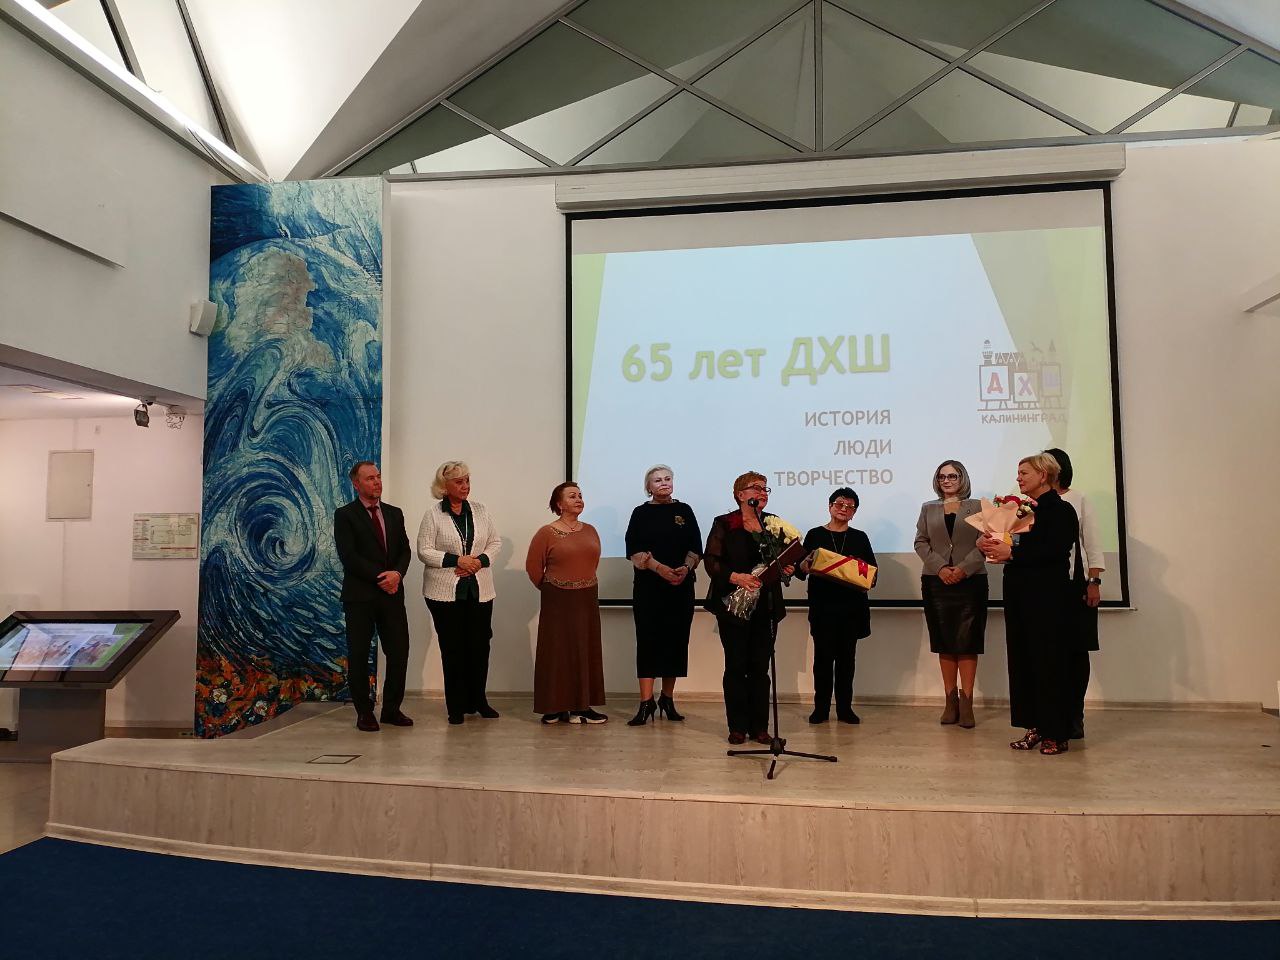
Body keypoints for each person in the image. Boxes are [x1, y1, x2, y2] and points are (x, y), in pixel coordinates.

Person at [979, 453, 1079, 756]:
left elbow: (1054, 549)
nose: (1018, 478)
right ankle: (1033, 726)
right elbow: (1015, 543)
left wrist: (1012, 553)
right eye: (1018, 472)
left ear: (1043, 475)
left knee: (1049, 663)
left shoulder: (1062, 510)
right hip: (1019, 594)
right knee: (1023, 661)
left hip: (1048, 598)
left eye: (1024, 473)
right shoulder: (1023, 511)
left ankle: (1056, 732)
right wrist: (989, 543)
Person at [703, 471, 795, 745]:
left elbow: (780, 560)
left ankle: (760, 728)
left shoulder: (772, 524)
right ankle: (737, 727)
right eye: (756, 488)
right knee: (736, 666)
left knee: (760, 667)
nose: (762, 492)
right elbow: (711, 561)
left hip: (765, 606)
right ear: (740, 494)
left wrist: (786, 567)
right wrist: (736, 577)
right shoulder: (724, 523)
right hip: (734, 606)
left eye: (766, 488)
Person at [416, 460, 503, 725]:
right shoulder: (433, 514)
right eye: (459, 482)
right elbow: (424, 550)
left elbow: (495, 542)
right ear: (444, 486)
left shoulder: (481, 510)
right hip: (443, 594)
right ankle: (455, 706)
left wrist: (479, 562)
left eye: (467, 480)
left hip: (480, 590)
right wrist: (458, 560)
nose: (465, 486)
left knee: (479, 647)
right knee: (453, 649)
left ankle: (478, 700)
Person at [333, 461, 413, 732]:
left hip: (392, 595)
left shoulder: (394, 513)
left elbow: (405, 550)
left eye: (378, 476)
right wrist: (383, 578)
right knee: (358, 655)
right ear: (356, 484)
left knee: (399, 652)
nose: (377, 482)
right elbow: (349, 556)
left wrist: (397, 575)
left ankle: (391, 709)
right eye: (370, 478)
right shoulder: (345, 515)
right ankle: (364, 712)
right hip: (360, 597)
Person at [624, 464, 702, 726]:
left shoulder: (685, 510)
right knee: (648, 641)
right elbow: (633, 549)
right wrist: (660, 569)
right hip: (649, 588)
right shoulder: (640, 513)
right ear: (648, 487)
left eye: (667, 479)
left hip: (680, 586)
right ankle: (646, 702)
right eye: (657, 480)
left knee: (676, 641)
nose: (664, 483)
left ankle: (667, 698)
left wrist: (684, 568)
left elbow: (696, 546)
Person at [914, 460, 988, 729]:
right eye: (942, 476)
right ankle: (950, 701)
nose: (946, 481)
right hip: (936, 581)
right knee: (944, 641)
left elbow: (987, 542)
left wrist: (963, 569)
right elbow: (920, 542)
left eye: (952, 476)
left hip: (971, 582)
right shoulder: (928, 508)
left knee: (967, 642)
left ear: (962, 478)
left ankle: (967, 703)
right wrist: (942, 568)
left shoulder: (978, 507)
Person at [525, 482, 607, 725]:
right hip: (557, 599)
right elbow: (533, 567)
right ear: (559, 504)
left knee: (585, 648)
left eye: (580, 495)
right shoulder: (546, 532)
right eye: (572, 496)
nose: (579, 499)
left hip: (587, 597)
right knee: (556, 650)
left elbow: (592, 562)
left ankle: (582, 707)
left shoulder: (590, 530)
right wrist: (551, 589)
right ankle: (554, 707)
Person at [797, 487, 876, 725]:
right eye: (839, 504)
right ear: (830, 506)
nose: (844, 509)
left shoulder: (860, 537)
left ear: (854, 513)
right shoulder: (814, 534)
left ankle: (845, 709)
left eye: (850, 506)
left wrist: (859, 569)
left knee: (846, 662)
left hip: (851, 609)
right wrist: (805, 564)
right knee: (822, 661)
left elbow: (873, 575)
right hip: (822, 608)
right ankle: (820, 709)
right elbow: (801, 570)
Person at [1045, 447, 1104, 740]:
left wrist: (1094, 581)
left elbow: (1092, 544)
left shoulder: (1078, 499)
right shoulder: (1030, 503)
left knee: (1077, 651)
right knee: (1049, 653)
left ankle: (1074, 715)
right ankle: (1050, 716)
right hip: (1045, 588)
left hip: (1076, 586)